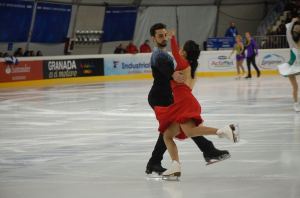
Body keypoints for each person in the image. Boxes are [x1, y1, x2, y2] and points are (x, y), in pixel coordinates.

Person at [146, 23, 230, 175]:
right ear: (153, 38)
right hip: (160, 95)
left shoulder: (167, 55)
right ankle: (208, 149)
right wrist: (172, 74)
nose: (164, 38)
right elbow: (164, 68)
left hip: (168, 95)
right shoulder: (158, 54)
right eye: (160, 36)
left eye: (165, 35)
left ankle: (156, 163)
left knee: (173, 130)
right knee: (175, 128)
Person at [277, 17, 300, 112]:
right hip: (291, 67)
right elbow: (287, 32)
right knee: (295, 87)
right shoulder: (292, 44)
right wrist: (291, 22)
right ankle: (296, 104)